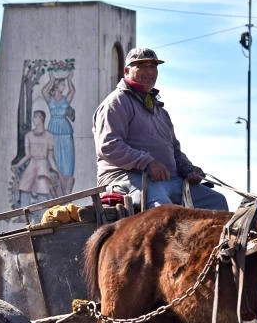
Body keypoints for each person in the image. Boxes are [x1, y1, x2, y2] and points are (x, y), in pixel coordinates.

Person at [92, 46, 228, 211]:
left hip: (169, 181)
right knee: (164, 209)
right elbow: (108, 146)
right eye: (142, 66)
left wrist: (189, 170)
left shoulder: (160, 111)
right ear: (127, 71)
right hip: (126, 178)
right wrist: (147, 162)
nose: (149, 71)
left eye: (153, 66)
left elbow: (174, 151)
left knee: (216, 201)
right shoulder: (116, 102)